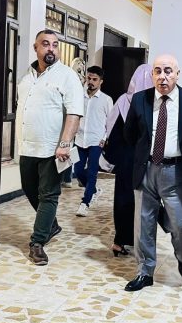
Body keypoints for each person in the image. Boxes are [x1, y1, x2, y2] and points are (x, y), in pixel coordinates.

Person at [123, 55, 182, 291]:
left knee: (181, 224)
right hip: (146, 169)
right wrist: (144, 155)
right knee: (143, 224)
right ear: (152, 75)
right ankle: (145, 271)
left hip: (176, 172)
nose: (163, 76)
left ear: (177, 74)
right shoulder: (140, 99)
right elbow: (130, 134)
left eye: (168, 71)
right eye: (157, 71)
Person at [16, 30, 84, 265]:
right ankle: (51, 224)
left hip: (53, 149)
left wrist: (64, 143)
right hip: (27, 146)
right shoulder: (26, 77)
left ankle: (37, 242)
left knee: (48, 195)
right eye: (46, 44)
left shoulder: (67, 76)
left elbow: (74, 113)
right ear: (36, 47)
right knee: (29, 189)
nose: (51, 49)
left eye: (55, 45)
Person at [104, 64, 153, 256]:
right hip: (147, 159)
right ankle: (140, 241)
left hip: (126, 159)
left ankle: (120, 240)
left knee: (123, 199)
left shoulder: (123, 101)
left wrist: (113, 158)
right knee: (145, 200)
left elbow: (112, 131)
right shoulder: (154, 103)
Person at [74, 65, 113, 218]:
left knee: (92, 172)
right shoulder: (79, 97)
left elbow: (110, 122)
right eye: (89, 78)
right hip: (79, 139)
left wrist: (104, 138)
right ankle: (94, 190)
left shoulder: (106, 100)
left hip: (96, 141)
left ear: (101, 81)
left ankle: (85, 202)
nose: (90, 81)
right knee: (78, 170)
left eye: (94, 79)